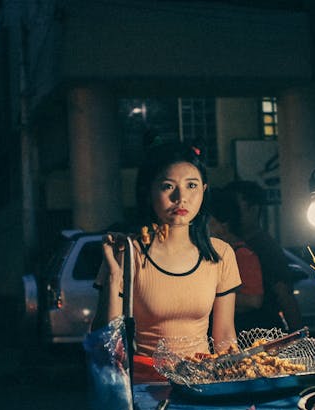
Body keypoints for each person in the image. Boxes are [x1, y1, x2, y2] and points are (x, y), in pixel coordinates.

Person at [93, 140, 241, 383]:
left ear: (204, 189)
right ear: (148, 191)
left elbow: (224, 336)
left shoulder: (221, 254)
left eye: (191, 185)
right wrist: (113, 277)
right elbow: (106, 340)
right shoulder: (127, 252)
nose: (181, 198)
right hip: (146, 386)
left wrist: (233, 382)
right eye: (167, 186)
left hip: (201, 383)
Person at [225, 180, 303, 331]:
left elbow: (285, 296)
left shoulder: (265, 247)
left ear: (254, 209)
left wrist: (300, 339)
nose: (230, 214)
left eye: (236, 207)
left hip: (262, 334)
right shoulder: (228, 245)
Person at [206, 187, 266, 332]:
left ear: (224, 224)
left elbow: (254, 300)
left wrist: (209, 296)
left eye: (209, 222)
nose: (205, 228)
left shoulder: (242, 254)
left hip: (243, 332)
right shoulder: (216, 252)